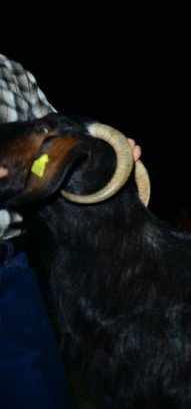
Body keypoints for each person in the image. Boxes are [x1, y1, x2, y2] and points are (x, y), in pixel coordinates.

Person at [0, 53, 140, 408]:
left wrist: (104, 158)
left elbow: (54, 141)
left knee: (39, 396)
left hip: (9, 272)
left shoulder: (11, 71)